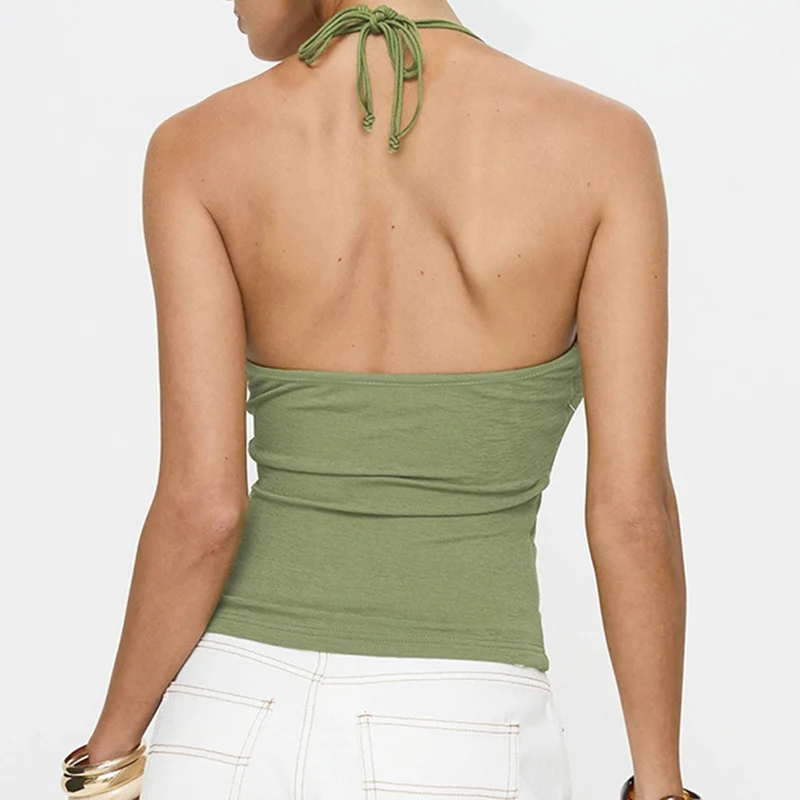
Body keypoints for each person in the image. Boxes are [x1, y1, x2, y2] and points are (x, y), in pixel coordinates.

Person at [75, 1, 692, 799]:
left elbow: (203, 511)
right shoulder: (602, 145)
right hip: (464, 737)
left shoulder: (198, 147)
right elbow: (633, 514)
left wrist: (107, 759)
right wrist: (663, 785)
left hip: (229, 722)